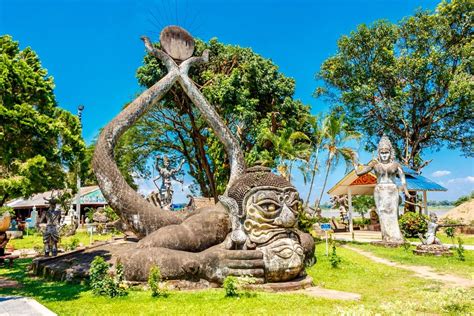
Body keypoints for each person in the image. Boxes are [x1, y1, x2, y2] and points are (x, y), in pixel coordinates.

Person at [352, 135, 411, 243]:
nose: (384, 155)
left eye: (386, 153)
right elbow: (359, 173)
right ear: (379, 153)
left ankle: (396, 237)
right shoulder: (375, 164)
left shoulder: (396, 164)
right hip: (379, 190)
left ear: (390, 153)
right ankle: (386, 237)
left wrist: (406, 191)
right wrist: (355, 164)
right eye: (382, 153)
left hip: (392, 190)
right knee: (382, 213)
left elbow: (403, 179)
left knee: (393, 213)